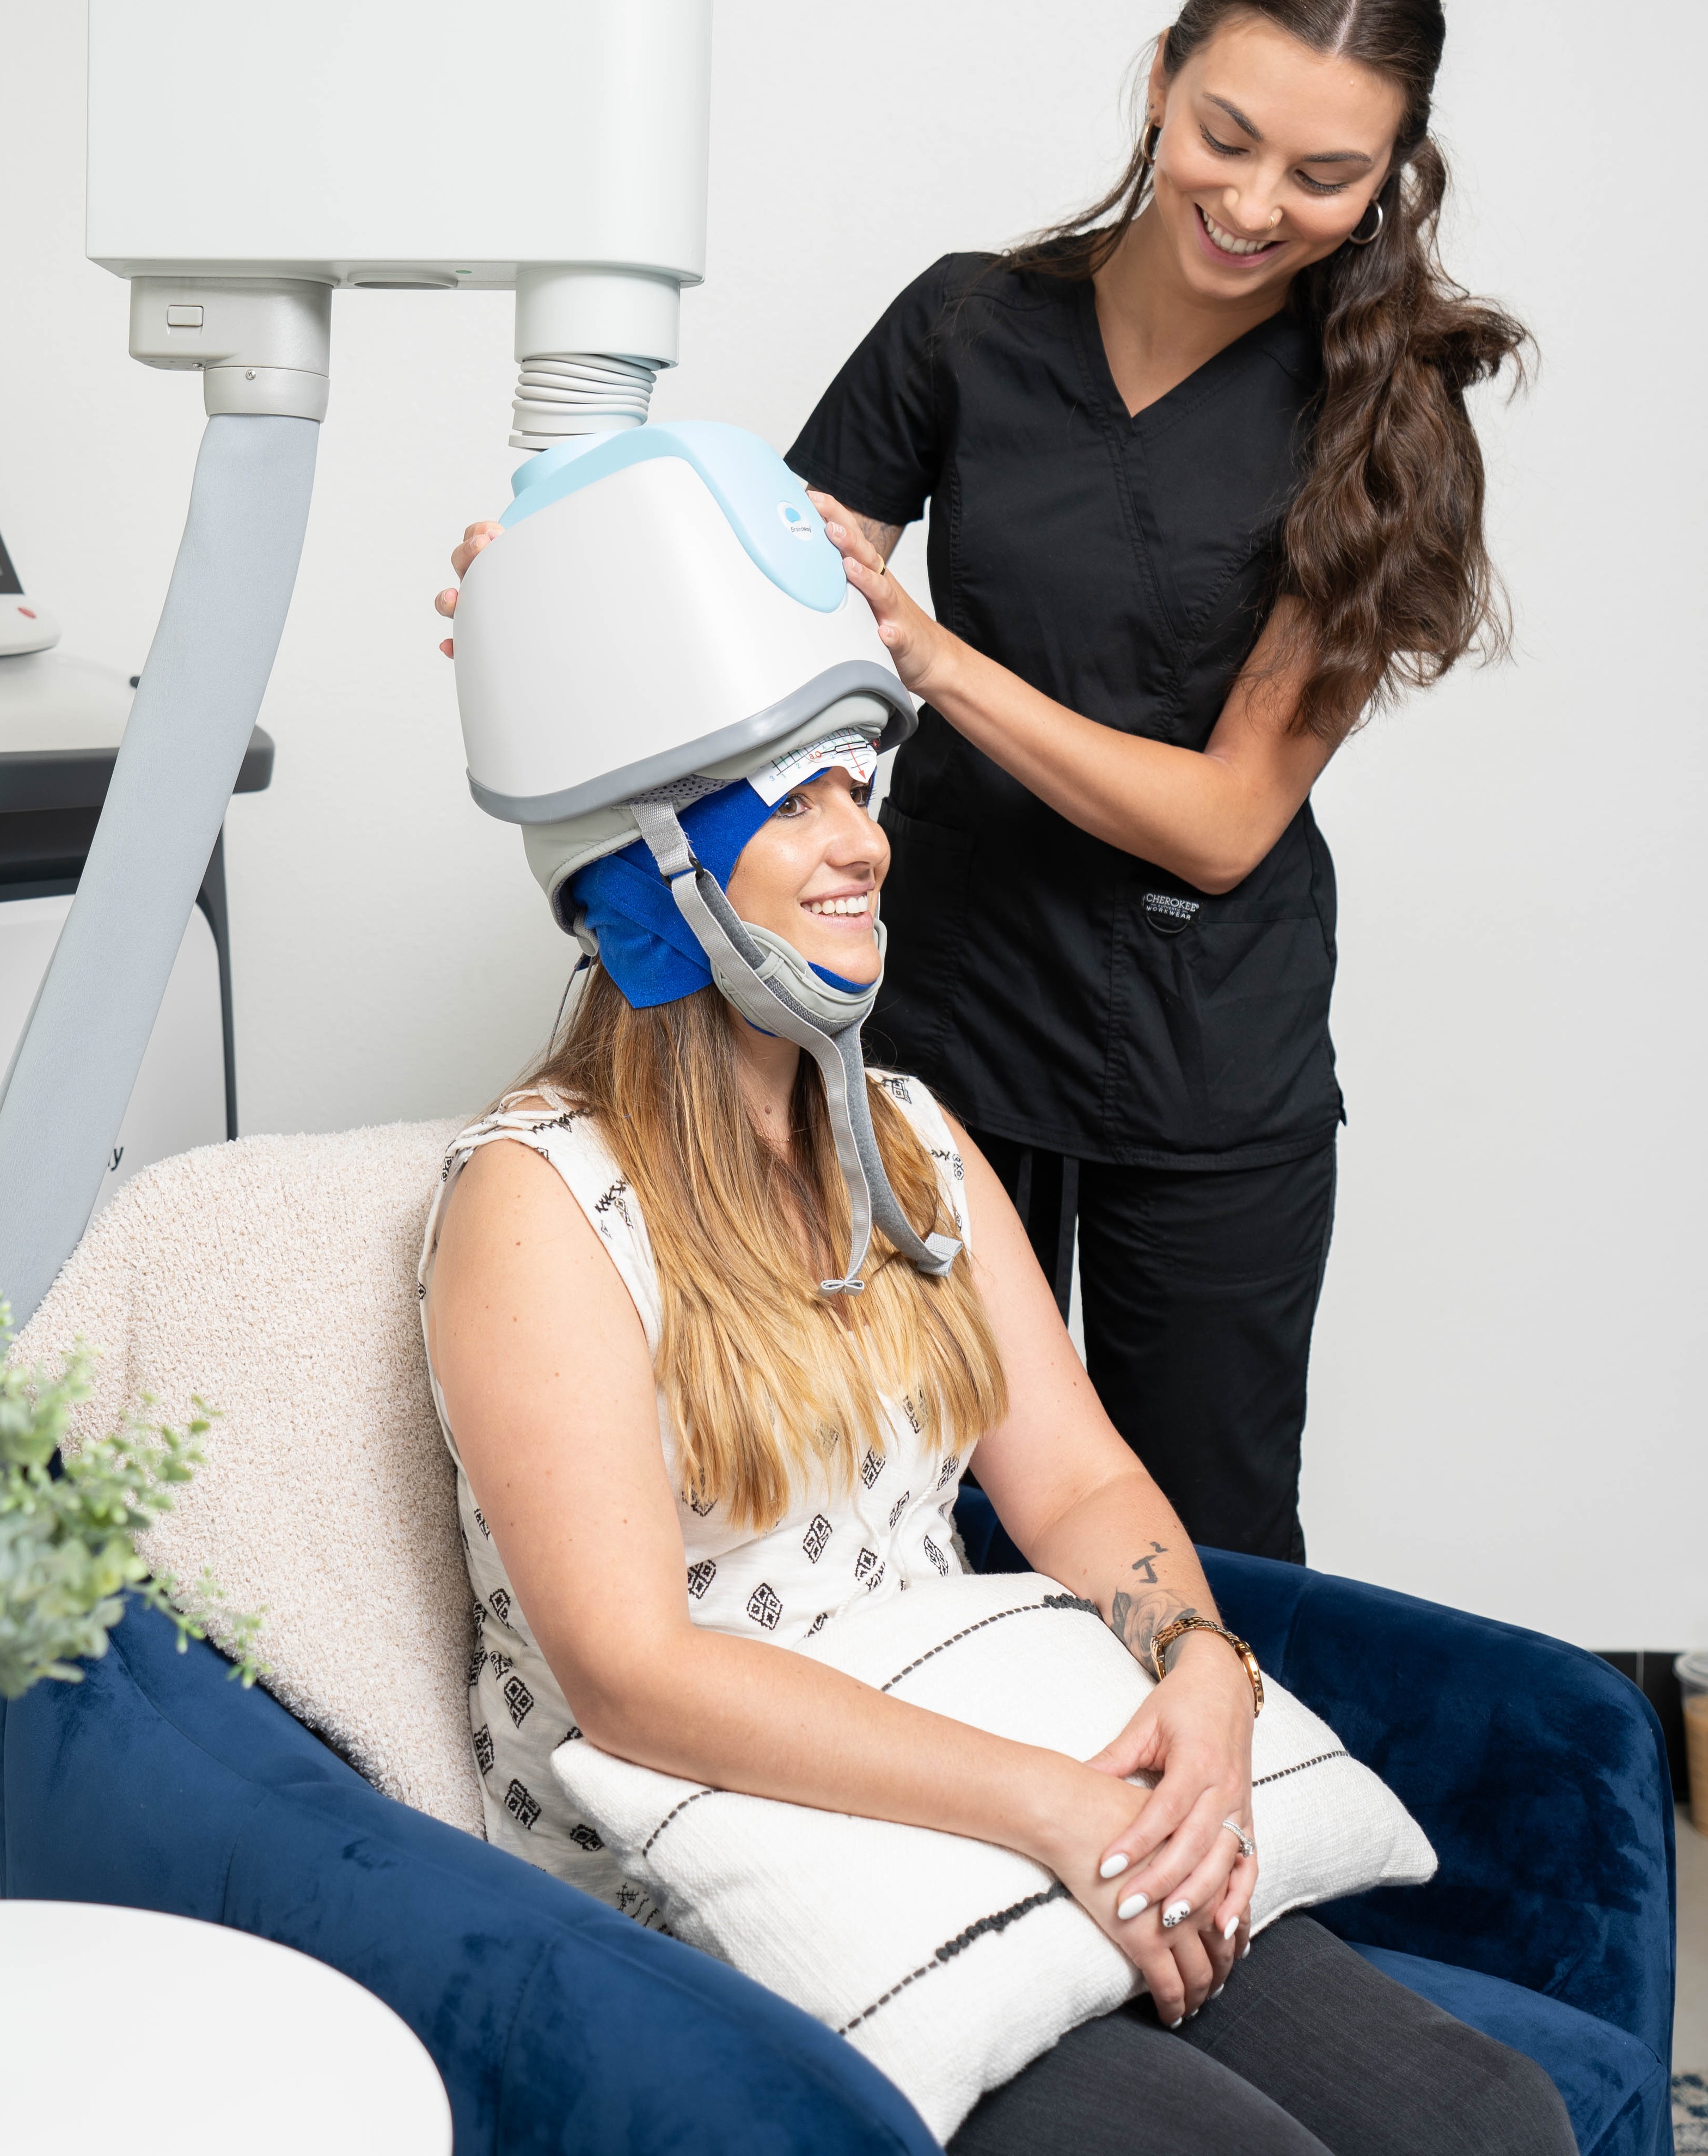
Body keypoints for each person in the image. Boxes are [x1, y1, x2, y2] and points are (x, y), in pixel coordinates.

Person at [438, 0, 1527, 1565]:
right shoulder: (968, 326)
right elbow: (783, 599)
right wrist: (564, 594)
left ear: (1393, 171)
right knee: (910, 1508)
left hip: (1208, 1056)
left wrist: (939, 661)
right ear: (1159, 80)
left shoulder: (1384, 416)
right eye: (1222, 136)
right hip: (940, 1011)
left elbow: (1230, 816)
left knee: (1208, 1543)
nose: (1252, 204)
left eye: (1322, 175)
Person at [419, 731, 1570, 2154]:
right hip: (706, 1872)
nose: (865, 844)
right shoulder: (538, 1199)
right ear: (642, 879)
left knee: (1485, 2119)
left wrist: (1206, 1669)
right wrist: (1047, 1807)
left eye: (860, 792)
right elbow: (634, 1680)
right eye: (795, 805)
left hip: (979, 1785)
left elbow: (1079, 1479)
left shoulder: (910, 1142)